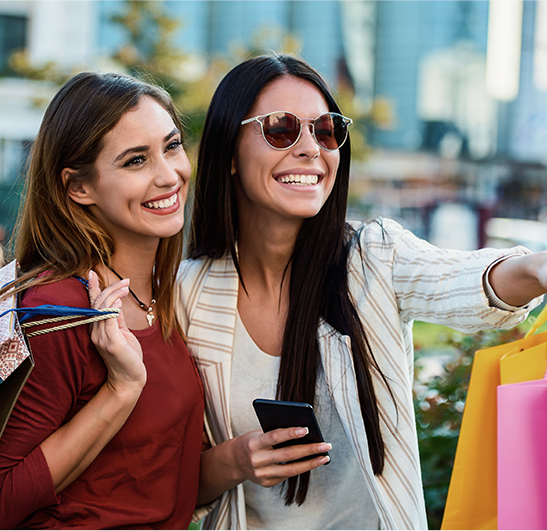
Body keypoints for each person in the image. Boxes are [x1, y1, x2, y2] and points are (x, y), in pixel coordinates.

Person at [177, 54, 547, 530]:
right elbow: (170, 479)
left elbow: (470, 282)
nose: (311, 149)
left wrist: (536, 267)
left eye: (326, 130)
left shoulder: (371, 257)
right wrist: (235, 461)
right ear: (228, 151)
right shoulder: (188, 294)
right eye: (281, 129)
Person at [0, 72, 204, 529]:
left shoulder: (160, 294)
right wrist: (120, 390)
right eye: (136, 161)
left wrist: (238, 463)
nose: (169, 174)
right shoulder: (60, 306)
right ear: (78, 188)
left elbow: (139, 486)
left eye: (172, 146)